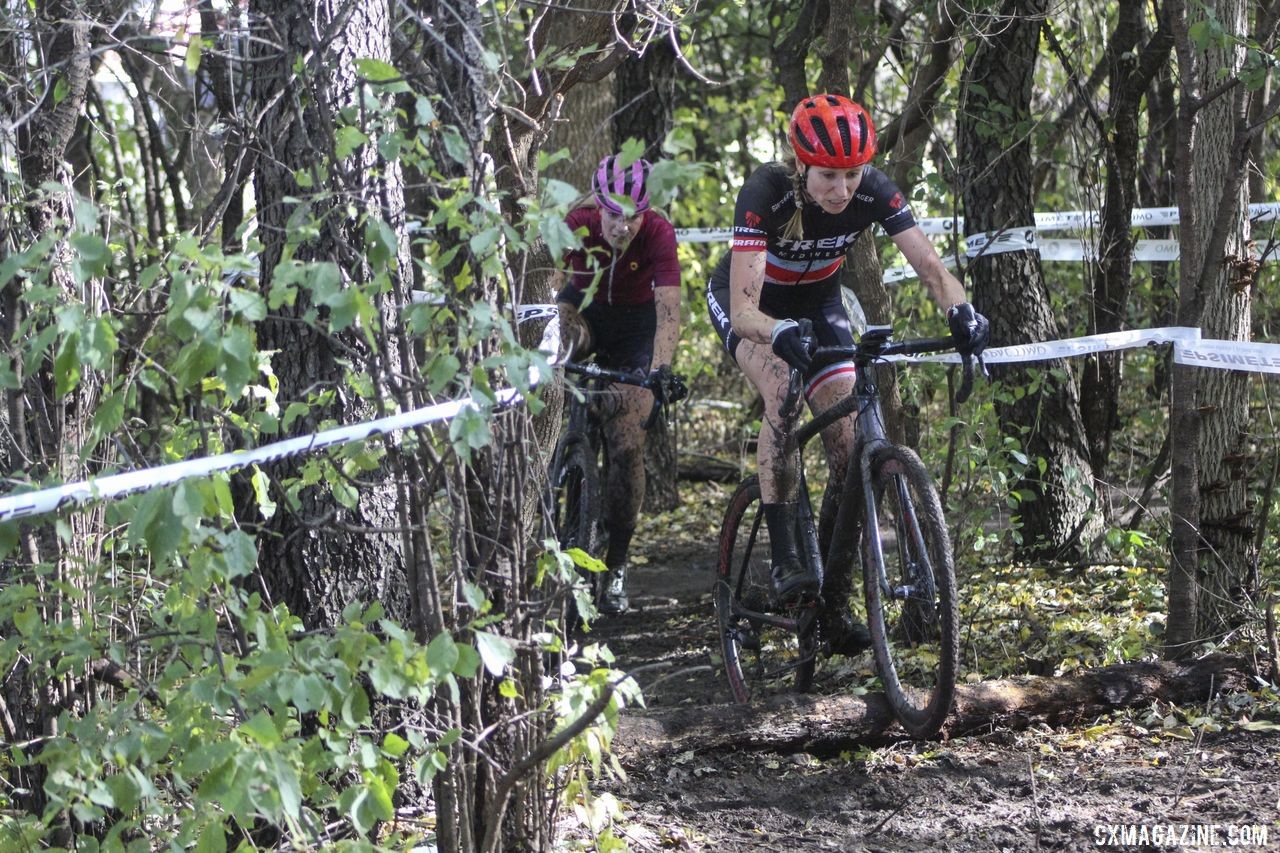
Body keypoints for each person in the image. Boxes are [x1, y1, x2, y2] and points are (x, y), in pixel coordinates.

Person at [705, 94, 989, 653]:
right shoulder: (766, 192)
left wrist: (962, 311)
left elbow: (930, 266)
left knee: (849, 445)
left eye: (851, 175)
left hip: (820, 302)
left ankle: (830, 597)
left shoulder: (874, 190)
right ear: (803, 166)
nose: (841, 190)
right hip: (751, 305)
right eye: (829, 177)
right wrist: (775, 332)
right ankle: (787, 552)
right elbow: (742, 309)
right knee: (782, 388)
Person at [552, 154, 683, 615]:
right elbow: (549, 284)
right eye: (612, 214)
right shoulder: (578, 221)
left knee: (627, 445)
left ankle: (618, 563)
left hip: (634, 333)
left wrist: (661, 369)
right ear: (598, 205)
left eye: (632, 216)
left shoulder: (658, 233)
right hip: (584, 314)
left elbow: (668, 310)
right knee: (558, 339)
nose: (621, 227)